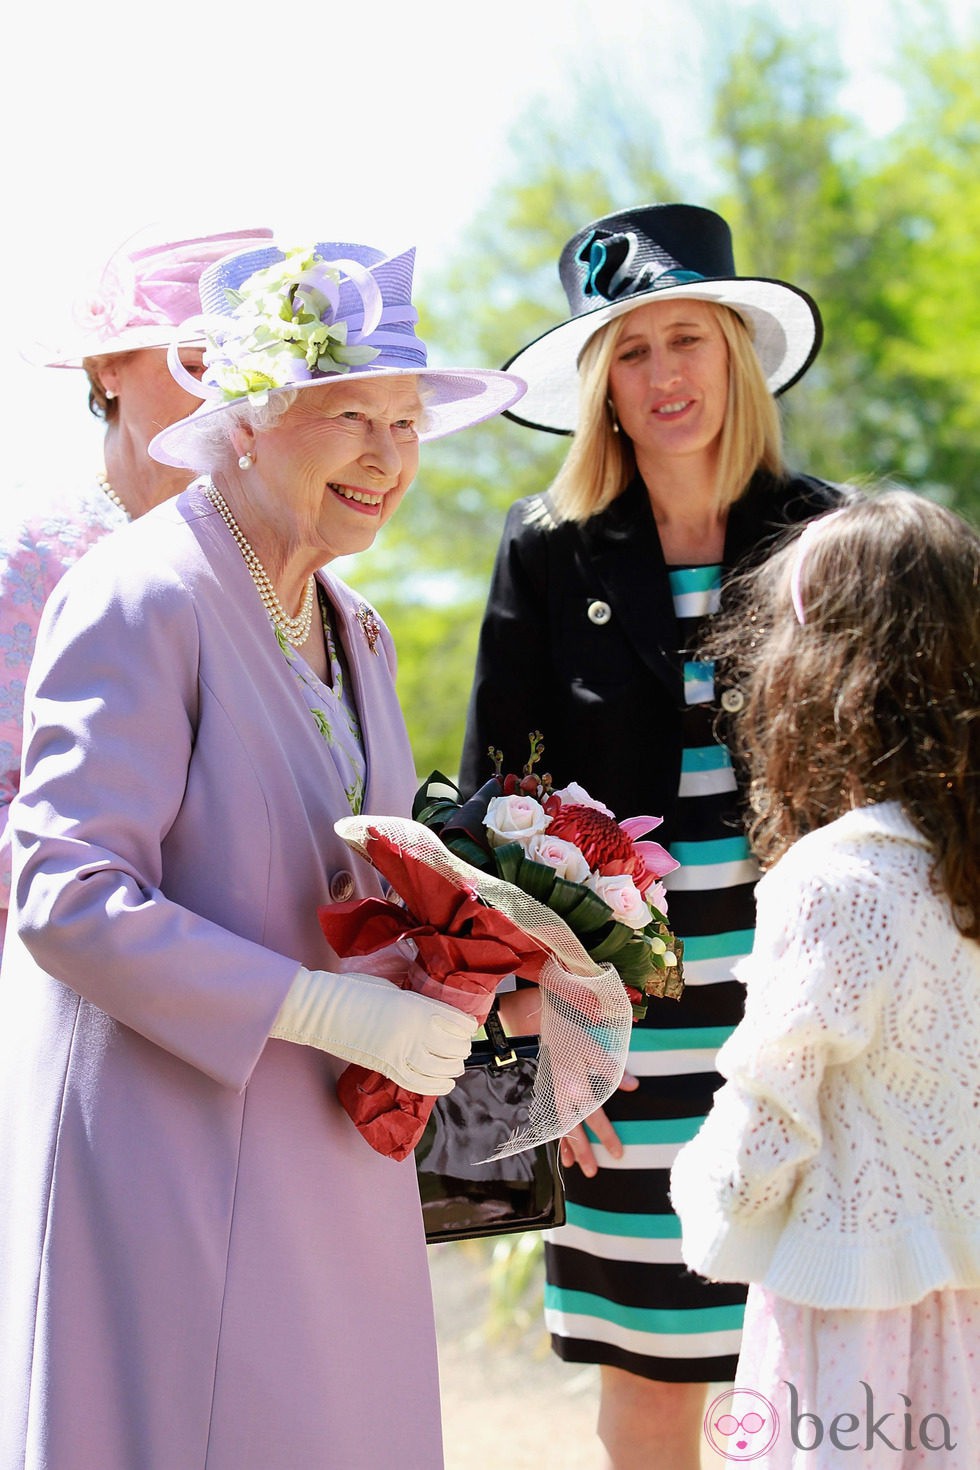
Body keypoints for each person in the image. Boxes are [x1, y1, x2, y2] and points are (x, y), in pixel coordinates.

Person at [0, 238, 526, 1468]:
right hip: (175, 1158)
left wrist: (483, 962)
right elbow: (64, 893)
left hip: (339, 1152)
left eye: (405, 424)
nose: (390, 460)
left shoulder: (358, 628)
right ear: (247, 421)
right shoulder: (143, 594)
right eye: (352, 418)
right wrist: (310, 1007)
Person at [459, 202, 847, 1469]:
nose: (661, 373)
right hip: (621, 1035)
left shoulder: (831, 539)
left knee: (815, 1355)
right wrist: (541, 1041)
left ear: (733, 354)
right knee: (650, 1361)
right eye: (629, 351)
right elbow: (486, 810)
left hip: (807, 1017)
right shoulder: (543, 547)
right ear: (599, 388)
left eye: (686, 338)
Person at [670, 491, 980, 1468]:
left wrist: (705, 1199)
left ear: (811, 673)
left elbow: (768, 1118)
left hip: (851, 1330)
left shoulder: (836, 879)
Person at [0, 225, 274, 955]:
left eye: (241, 371)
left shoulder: (267, 559)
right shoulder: (29, 559)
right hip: (66, 965)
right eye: (192, 364)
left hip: (252, 979)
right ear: (108, 371)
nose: (220, 392)